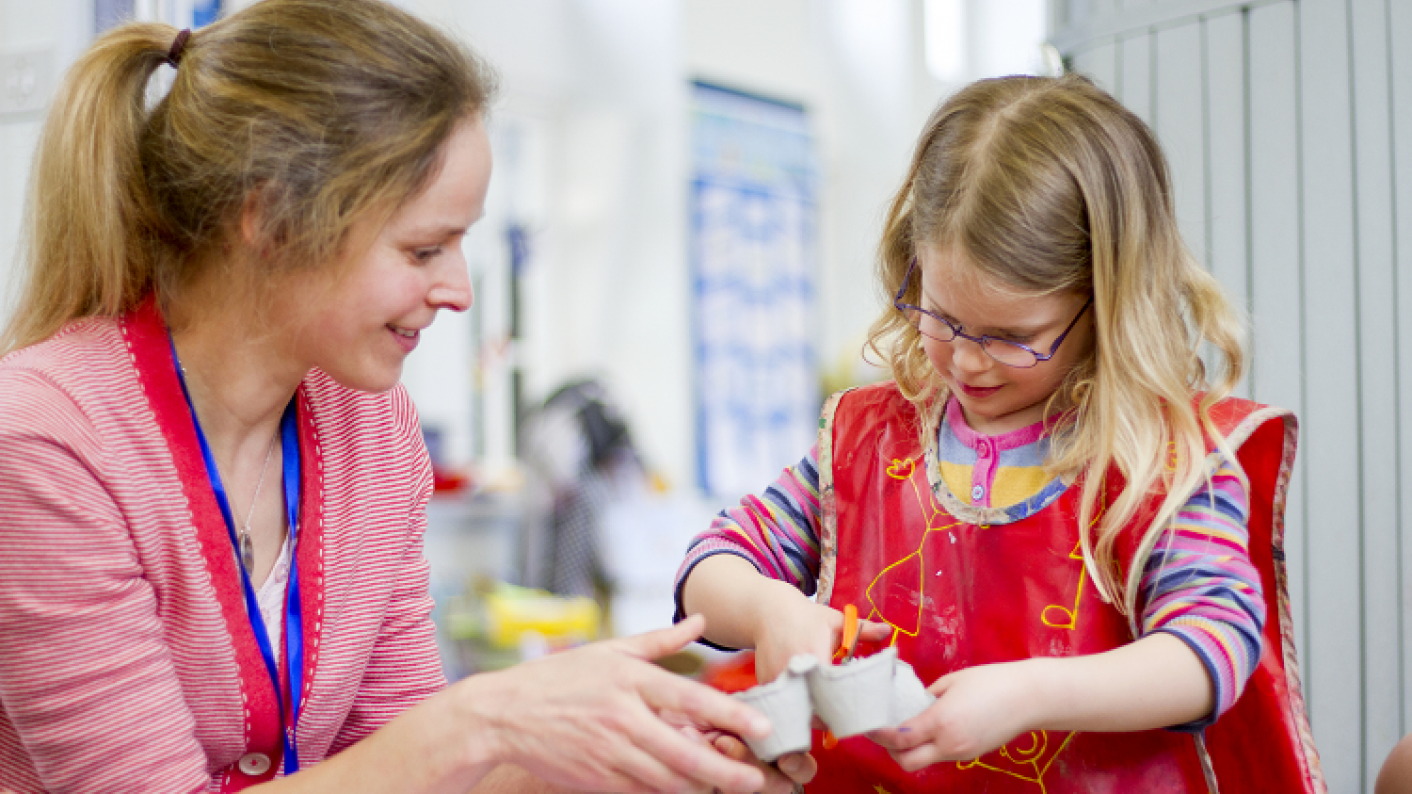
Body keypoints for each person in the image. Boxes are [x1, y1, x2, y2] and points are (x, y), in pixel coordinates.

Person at [0, 1, 813, 792]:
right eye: (425, 247)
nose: (459, 290)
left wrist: (621, 754)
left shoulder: (369, 427)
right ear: (274, 222)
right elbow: (429, 749)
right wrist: (483, 720)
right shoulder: (46, 444)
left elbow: (409, 769)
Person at [675, 74, 1326, 792]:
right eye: (943, 317)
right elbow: (713, 562)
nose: (967, 360)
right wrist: (771, 610)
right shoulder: (870, 440)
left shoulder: (1164, 460)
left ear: (1107, 302)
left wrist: (1034, 694)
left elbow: (1214, 645)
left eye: (1014, 337)